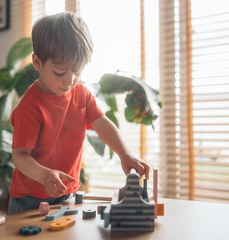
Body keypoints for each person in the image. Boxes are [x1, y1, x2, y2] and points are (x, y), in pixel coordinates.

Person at [8, 12, 150, 215]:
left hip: (66, 193)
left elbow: (102, 123)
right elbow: (20, 156)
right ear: (37, 63)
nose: (70, 80)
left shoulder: (81, 93)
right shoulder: (30, 107)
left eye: (78, 71)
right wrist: (44, 175)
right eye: (60, 73)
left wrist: (124, 154)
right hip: (29, 199)